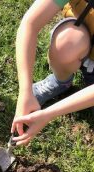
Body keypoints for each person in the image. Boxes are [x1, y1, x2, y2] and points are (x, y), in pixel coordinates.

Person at [11, 0, 94, 146]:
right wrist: (25, 91)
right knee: (67, 44)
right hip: (84, 31)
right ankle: (61, 81)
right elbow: (30, 24)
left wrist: (48, 114)